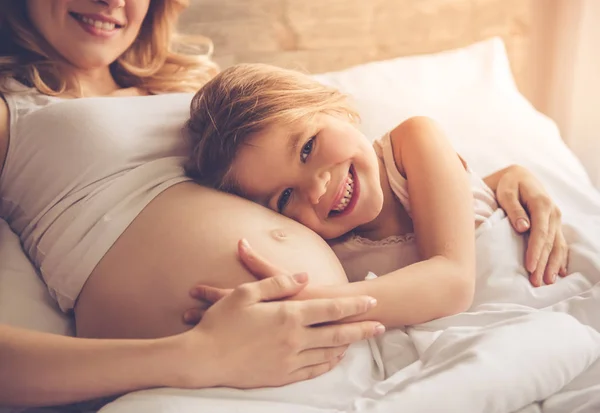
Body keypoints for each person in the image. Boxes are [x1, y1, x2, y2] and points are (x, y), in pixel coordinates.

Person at [0, 0, 567, 408]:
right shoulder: (14, 111)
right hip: (192, 380)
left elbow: (344, 159)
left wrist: (496, 178)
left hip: (350, 359)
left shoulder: (209, 95)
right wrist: (195, 355)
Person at [185, 63, 571, 328]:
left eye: (307, 148)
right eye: (285, 197)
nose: (316, 189)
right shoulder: (324, 250)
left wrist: (317, 304)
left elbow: (452, 280)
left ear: (333, 107)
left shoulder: (411, 143)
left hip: (560, 291)